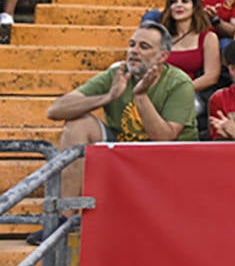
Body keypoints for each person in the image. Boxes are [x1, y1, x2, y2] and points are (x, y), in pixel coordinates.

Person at [47, 21, 197, 199]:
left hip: (167, 162)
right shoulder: (118, 74)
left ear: (162, 56)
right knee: (77, 125)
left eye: (144, 47)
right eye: (132, 44)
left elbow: (164, 138)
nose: (134, 51)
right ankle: (65, 218)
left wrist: (141, 96)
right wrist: (107, 97)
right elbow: (54, 111)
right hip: (123, 156)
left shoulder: (179, 83)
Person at [159, 0, 222, 105]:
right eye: (174, 2)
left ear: (194, 7)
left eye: (184, 1)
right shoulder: (162, 37)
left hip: (192, 92)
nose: (178, 5)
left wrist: (181, 90)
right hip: (162, 91)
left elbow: (212, 76)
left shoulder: (208, 37)